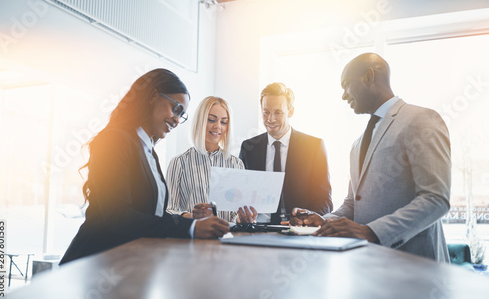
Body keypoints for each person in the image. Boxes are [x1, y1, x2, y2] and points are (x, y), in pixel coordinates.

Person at [290, 53, 451, 262]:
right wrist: (325, 221)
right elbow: (353, 204)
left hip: (417, 264)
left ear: (368, 77)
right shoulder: (357, 144)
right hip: (370, 265)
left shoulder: (421, 120)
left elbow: (436, 199)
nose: (343, 96)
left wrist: (372, 232)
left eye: (346, 85)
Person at [60, 69, 229, 265]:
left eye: (181, 115)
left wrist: (192, 219)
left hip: (128, 262)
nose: (176, 120)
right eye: (175, 109)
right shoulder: (114, 140)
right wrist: (190, 228)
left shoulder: (148, 149)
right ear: (153, 96)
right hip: (94, 262)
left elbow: (151, 215)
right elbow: (117, 215)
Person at [239, 82, 332, 224]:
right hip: (258, 228)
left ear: (291, 111)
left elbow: (324, 200)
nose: (270, 119)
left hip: (298, 230)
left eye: (278, 112)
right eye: (266, 112)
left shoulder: (313, 147)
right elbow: (241, 194)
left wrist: (305, 221)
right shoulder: (248, 148)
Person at [166, 96, 257, 222]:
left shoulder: (236, 164)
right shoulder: (179, 162)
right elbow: (170, 210)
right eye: (211, 120)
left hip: (227, 238)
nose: (218, 126)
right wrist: (192, 216)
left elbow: (235, 214)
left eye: (223, 122)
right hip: (194, 237)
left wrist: (243, 218)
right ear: (200, 121)